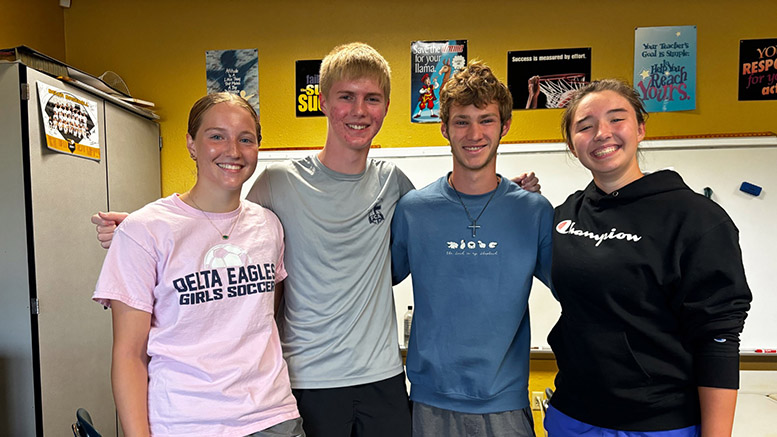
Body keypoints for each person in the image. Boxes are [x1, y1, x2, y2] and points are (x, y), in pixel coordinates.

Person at [91, 42, 541, 437]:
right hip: (304, 383)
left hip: (382, 378)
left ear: (386, 107)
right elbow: (218, 214)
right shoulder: (279, 182)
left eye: (372, 99)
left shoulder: (395, 184)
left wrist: (508, 194)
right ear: (323, 101)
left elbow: (449, 210)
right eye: (346, 97)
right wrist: (143, 227)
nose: (359, 111)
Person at [545, 79, 752, 437]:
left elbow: (717, 337)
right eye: (585, 125)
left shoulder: (695, 218)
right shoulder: (566, 215)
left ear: (640, 128)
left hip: (657, 423)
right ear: (571, 144)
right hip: (573, 416)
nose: (601, 133)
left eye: (616, 119)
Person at [92, 93, 303, 437]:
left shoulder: (269, 226)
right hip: (184, 422)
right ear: (191, 144)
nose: (232, 150)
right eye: (216, 135)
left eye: (245, 139)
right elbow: (129, 355)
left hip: (271, 418)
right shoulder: (145, 230)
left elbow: (263, 319)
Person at [391, 60, 553, 437]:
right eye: (462, 121)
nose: (474, 133)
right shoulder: (414, 210)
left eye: (486, 120)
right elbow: (373, 281)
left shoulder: (533, 211)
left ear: (505, 126)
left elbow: (582, 292)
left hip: (505, 405)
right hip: (430, 402)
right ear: (444, 128)